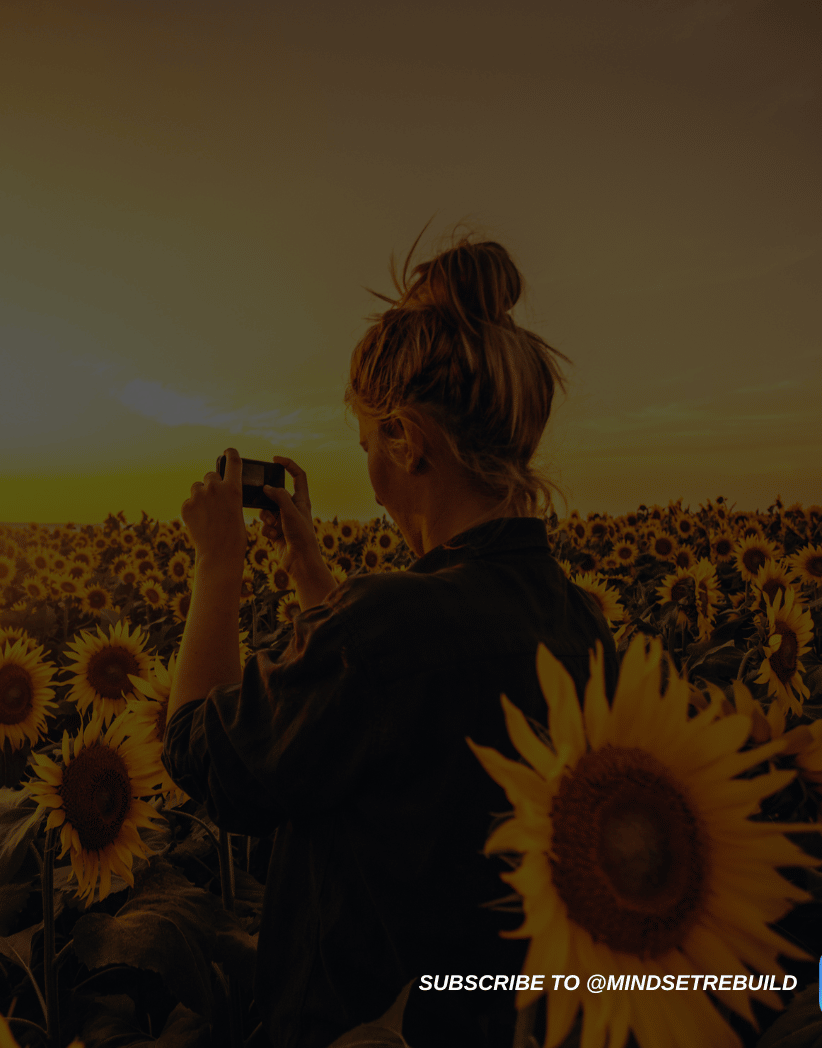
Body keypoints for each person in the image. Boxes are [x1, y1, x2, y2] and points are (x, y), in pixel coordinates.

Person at [165, 223, 621, 1048]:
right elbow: (412, 713)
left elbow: (205, 755)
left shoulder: (387, 629)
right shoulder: (580, 621)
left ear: (407, 441)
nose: (370, 473)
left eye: (370, 441)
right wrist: (316, 581)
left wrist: (217, 568)